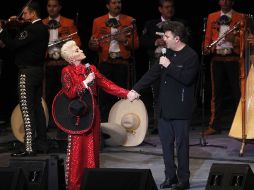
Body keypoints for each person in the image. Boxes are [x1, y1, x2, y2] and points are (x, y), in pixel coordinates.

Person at [129, 21, 199, 190]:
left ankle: (184, 180)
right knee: (166, 145)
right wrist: (135, 89)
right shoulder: (166, 54)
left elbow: (187, 79)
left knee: (181, 146)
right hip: (164, 108)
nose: (164, 39)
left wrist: (170, 66)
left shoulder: (191, 56)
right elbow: (152, 74)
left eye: (167, 37)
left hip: (181, 109)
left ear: (177, 38)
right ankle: (170, 177)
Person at [54, 40, 133, 190]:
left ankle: (91, 182)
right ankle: (75, 185)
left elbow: (107, 84)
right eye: (77, 50)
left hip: (93, 112)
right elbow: (69, 93)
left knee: (92, 147)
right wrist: (85, 83)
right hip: (78, 114)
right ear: (71, 57)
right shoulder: (67, 71)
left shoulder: (91, 69)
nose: (80, 50)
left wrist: (127, 93)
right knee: (78, 149)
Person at [0, 1, 49, 156]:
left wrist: (2, 30)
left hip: (27, 73)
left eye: (26, 13)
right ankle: (42, 143)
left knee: (27, 110)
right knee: (37, 108)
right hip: (38, 72)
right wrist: (17, 24)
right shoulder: (41, 27)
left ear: (33, 13)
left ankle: (28, 147)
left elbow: (13, 45)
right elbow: (24, 37)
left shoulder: (33, 28)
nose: (23, 17)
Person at [141, 0, 191, 133]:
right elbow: (142, 41)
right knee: (157, 93)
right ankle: (159, 124)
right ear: (160, 9)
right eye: (167, 7)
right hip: (157, 61)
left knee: (175, 91)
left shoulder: (181, 23)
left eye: (172, 7)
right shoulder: (151, 24)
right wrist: (155, 41)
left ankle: (176, 121)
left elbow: (187, 40)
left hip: (175, 62)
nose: (170, 9)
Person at [88, 0, 139, 122]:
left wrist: (124, 40)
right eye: (114, 3)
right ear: (107, 5)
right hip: (105, 62)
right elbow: (93, 45)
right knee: (104, 96)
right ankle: (104, 124)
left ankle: (121, 121)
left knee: (122, 94)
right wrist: (93, 45)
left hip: (122, 63)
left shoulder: (129, 20)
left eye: (119, 2)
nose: (117, 5)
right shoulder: (98, 21)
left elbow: (136, 44)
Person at [203, 0, 245, 135]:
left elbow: (246, 38)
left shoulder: (240, 17)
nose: (225, 2)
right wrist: (207, 47)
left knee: (238, 92)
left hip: (234, 59)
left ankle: (240, 125)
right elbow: (208, 38)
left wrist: (235, 40)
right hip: (217, 59)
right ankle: (214, 125)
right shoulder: (212, 16)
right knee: (216, 94)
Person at [42, 0, 81, 133]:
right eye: (49, 6)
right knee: (46, 94)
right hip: (47, 64)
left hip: (63, 64)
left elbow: (78, 42)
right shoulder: (42, 23)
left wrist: (65, 40)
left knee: (66, 93)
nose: (52, 9)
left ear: (59, 7)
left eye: (54, 6)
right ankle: (46, 122)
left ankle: (64, 121)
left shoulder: (68, 22)